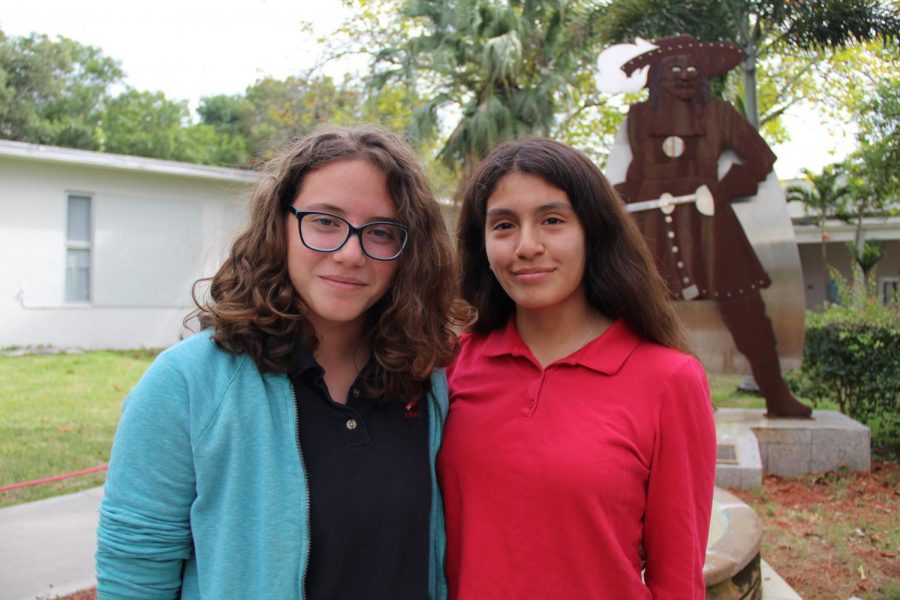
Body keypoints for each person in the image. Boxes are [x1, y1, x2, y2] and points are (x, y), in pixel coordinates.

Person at [96, 125, 466, 599]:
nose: (351, 253)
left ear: (408, 252)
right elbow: (134, 575)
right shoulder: (188, 384)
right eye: (325, 221)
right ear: (281, 223)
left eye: (380, 231)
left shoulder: (426, 380)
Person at [438, 138, 717, 598]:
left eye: (552, 220)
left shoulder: (669, 380)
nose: (527, 246)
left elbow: (679, 579)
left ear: (593, 230)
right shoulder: (450, 365)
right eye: (504, 225)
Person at [614, 34, 812, 418]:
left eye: (691, 68)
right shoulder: (638, 117)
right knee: (638, 308)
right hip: (652, 222)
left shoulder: (720, 114)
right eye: (674, 68)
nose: (684, 75)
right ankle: (638, 399)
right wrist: (611, 203)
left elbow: (759, 160)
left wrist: (724, 188)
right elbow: (635, 175)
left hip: (711, 225)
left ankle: (776, 395)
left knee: (746, 307)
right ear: (656, 75)